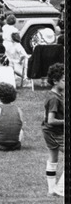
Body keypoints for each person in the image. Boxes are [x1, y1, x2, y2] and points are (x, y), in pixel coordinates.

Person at [41, 63, 64, 196]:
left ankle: (51, 190)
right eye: (63, 80)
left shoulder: (54, 95)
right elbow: (51, 120)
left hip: (49, 131)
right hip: (54, 132)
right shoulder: (54, 98)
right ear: (55, 81)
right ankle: (59, 189)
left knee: (53, 158)